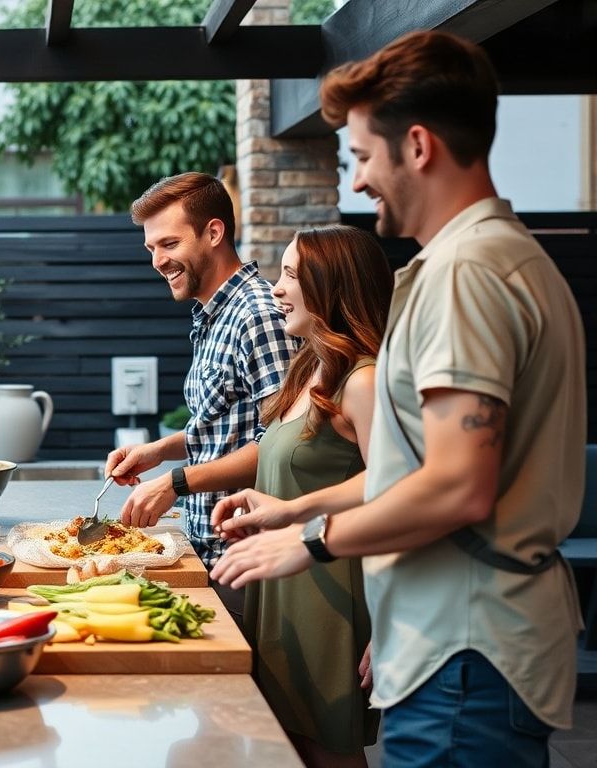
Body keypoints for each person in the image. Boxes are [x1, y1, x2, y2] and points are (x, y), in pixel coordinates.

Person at [209, 30, 586, 767]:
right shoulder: (496, 260)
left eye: (360, 158)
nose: (355, 183)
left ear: (417, 147)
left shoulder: (465, 275)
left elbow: (455, 484)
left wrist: (305, 542)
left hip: (463, 650)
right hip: (471, 649)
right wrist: (293, 509)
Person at [211, 226, 393, 767]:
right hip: (285, 590)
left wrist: (390, 624)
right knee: (289, 750)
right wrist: (263, 505)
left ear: (332, 286)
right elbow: (309, 473)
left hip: (332, 596)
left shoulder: (363, 379)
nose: (277, 288)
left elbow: (393, 484)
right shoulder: (308, 369)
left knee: (326, 752)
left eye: (292, 275)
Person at [107, 172, 297, 615]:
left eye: (169, 244)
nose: (157, 260)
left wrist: (176, 482)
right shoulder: (214, 315)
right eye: (151, 248)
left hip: (246, 561)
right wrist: (159, 450)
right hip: (209, 553)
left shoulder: (259, 316)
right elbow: (226, 426)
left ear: (214, 232)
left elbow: (284, 445)